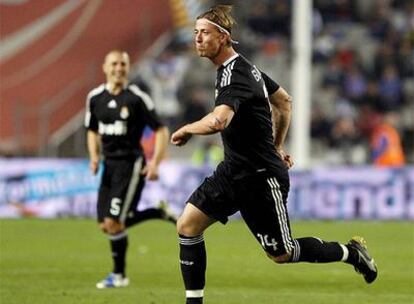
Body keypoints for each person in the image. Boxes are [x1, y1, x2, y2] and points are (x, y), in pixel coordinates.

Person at [170, 5, 378, 304]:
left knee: (283, 253)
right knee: (187, 226)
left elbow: (219, 121)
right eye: (195, 33)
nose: (198, 39)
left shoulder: (236, 74)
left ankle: (350, 252)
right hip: (233, 172)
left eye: (204, 33)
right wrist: (278, 145)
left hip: (260, 178)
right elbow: (283, 101)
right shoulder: (242, 69)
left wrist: (189, 128)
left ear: (224, 37)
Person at [85, 49, 175, 289]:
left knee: (114, 222)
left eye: (123, 64)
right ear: (105, 67)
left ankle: (119, 276)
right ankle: (158, 212)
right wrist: (94, 157)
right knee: (105, 224)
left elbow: (161, 130)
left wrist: (155, 162)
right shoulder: (95, 98)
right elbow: (92, 130)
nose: (118, 68)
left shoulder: (136, 98)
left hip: (130, 165)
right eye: (114, 64)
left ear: (128, 68)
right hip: (108, 165)